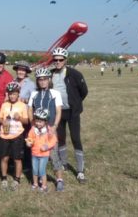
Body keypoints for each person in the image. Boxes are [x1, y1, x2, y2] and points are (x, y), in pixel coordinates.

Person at [50, 47, 89, 184]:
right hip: (58, 112)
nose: (58, 62)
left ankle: (80, 170)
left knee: (75, 138)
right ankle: (64, 163)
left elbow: (84, 91)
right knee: (61, 138)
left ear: (66, 60)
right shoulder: (50, 74)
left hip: (72, 111)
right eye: (55, 60)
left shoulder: (75, 74)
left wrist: (76, 102)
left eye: (61, 60)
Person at [27, 67, 65, 191]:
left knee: (54, 156)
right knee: (37, 154)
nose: (42, 82)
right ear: (37, 81)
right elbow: (29, 109)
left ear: (49, 80)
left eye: (45, 79)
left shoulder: (55, 93)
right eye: (40, 79)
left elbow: (59, 111)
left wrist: (54, 126)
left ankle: (59, 179)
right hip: (37, 129)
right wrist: (32, 123)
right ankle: (37, 179)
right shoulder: (34, 94)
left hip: (50, 130)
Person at [0, 82, 29, 191]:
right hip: (4, 135)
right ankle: (4, 178)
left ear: (18, 94)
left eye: (14, 94)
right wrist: (3, 121)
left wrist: (19, 118)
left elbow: (26, 121)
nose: (12, 96)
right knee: (4, 158)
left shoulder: (22, 105)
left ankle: (17, 179)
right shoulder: (4, 105)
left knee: (17, 158)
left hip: (17, 135)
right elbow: (0, 118)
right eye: (10, 94)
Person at [26, 108, 58, 192]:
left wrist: (47, 146)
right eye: (36, 121)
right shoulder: (33, 129)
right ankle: (35, 184)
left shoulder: (49, 130)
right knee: (35, 170)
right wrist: (29, 143)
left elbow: (54, 140)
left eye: (40, 122)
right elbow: (30, 138)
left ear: (46, 121)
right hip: (34, 153)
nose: (38, 123)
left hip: (44, 155)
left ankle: (44, 186)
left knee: (42, 170)